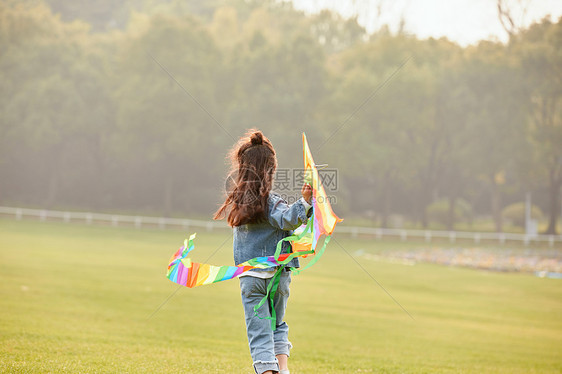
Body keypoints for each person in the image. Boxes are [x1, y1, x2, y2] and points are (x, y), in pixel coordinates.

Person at [214, 129, 312, 374]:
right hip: (278, 276)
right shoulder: (271, 201)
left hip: (251, 279)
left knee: (259, 332)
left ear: (243, 168)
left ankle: (268, 372)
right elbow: (287, 220)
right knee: (277, 324)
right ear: (271, 169)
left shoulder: (239, 202)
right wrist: (306, 202)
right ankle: (283, 370)